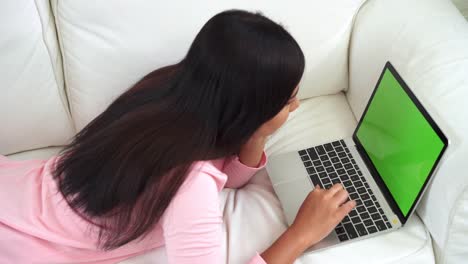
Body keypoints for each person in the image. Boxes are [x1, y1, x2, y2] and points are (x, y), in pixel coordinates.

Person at [0, 10, 355, 264]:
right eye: (288, 98)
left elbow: (225, 180)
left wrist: (255, 131)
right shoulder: (189, 182)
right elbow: (203, 183)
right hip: (24, 241)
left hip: (22, 193)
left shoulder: (171, 88)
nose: (295, 107)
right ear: (248, 107)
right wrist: (302, 234)